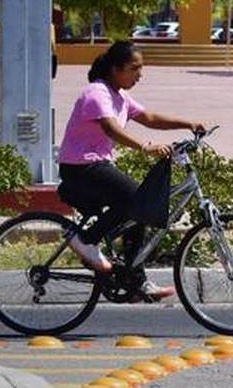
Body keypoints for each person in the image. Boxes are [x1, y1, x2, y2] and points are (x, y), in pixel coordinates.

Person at [57, 41, 205, 301]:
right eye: (134, 68)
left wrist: (189, 123)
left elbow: (150, 118)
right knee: (136, 197)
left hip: (97, 165)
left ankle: (135, 281)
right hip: (80, 167)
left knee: (141, 211)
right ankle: (84, 240)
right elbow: (111, 129)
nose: (140, 74)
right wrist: (146, 147)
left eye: (141, 68)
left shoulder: (119, 96)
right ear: (116, 68)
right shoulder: (96, 92)